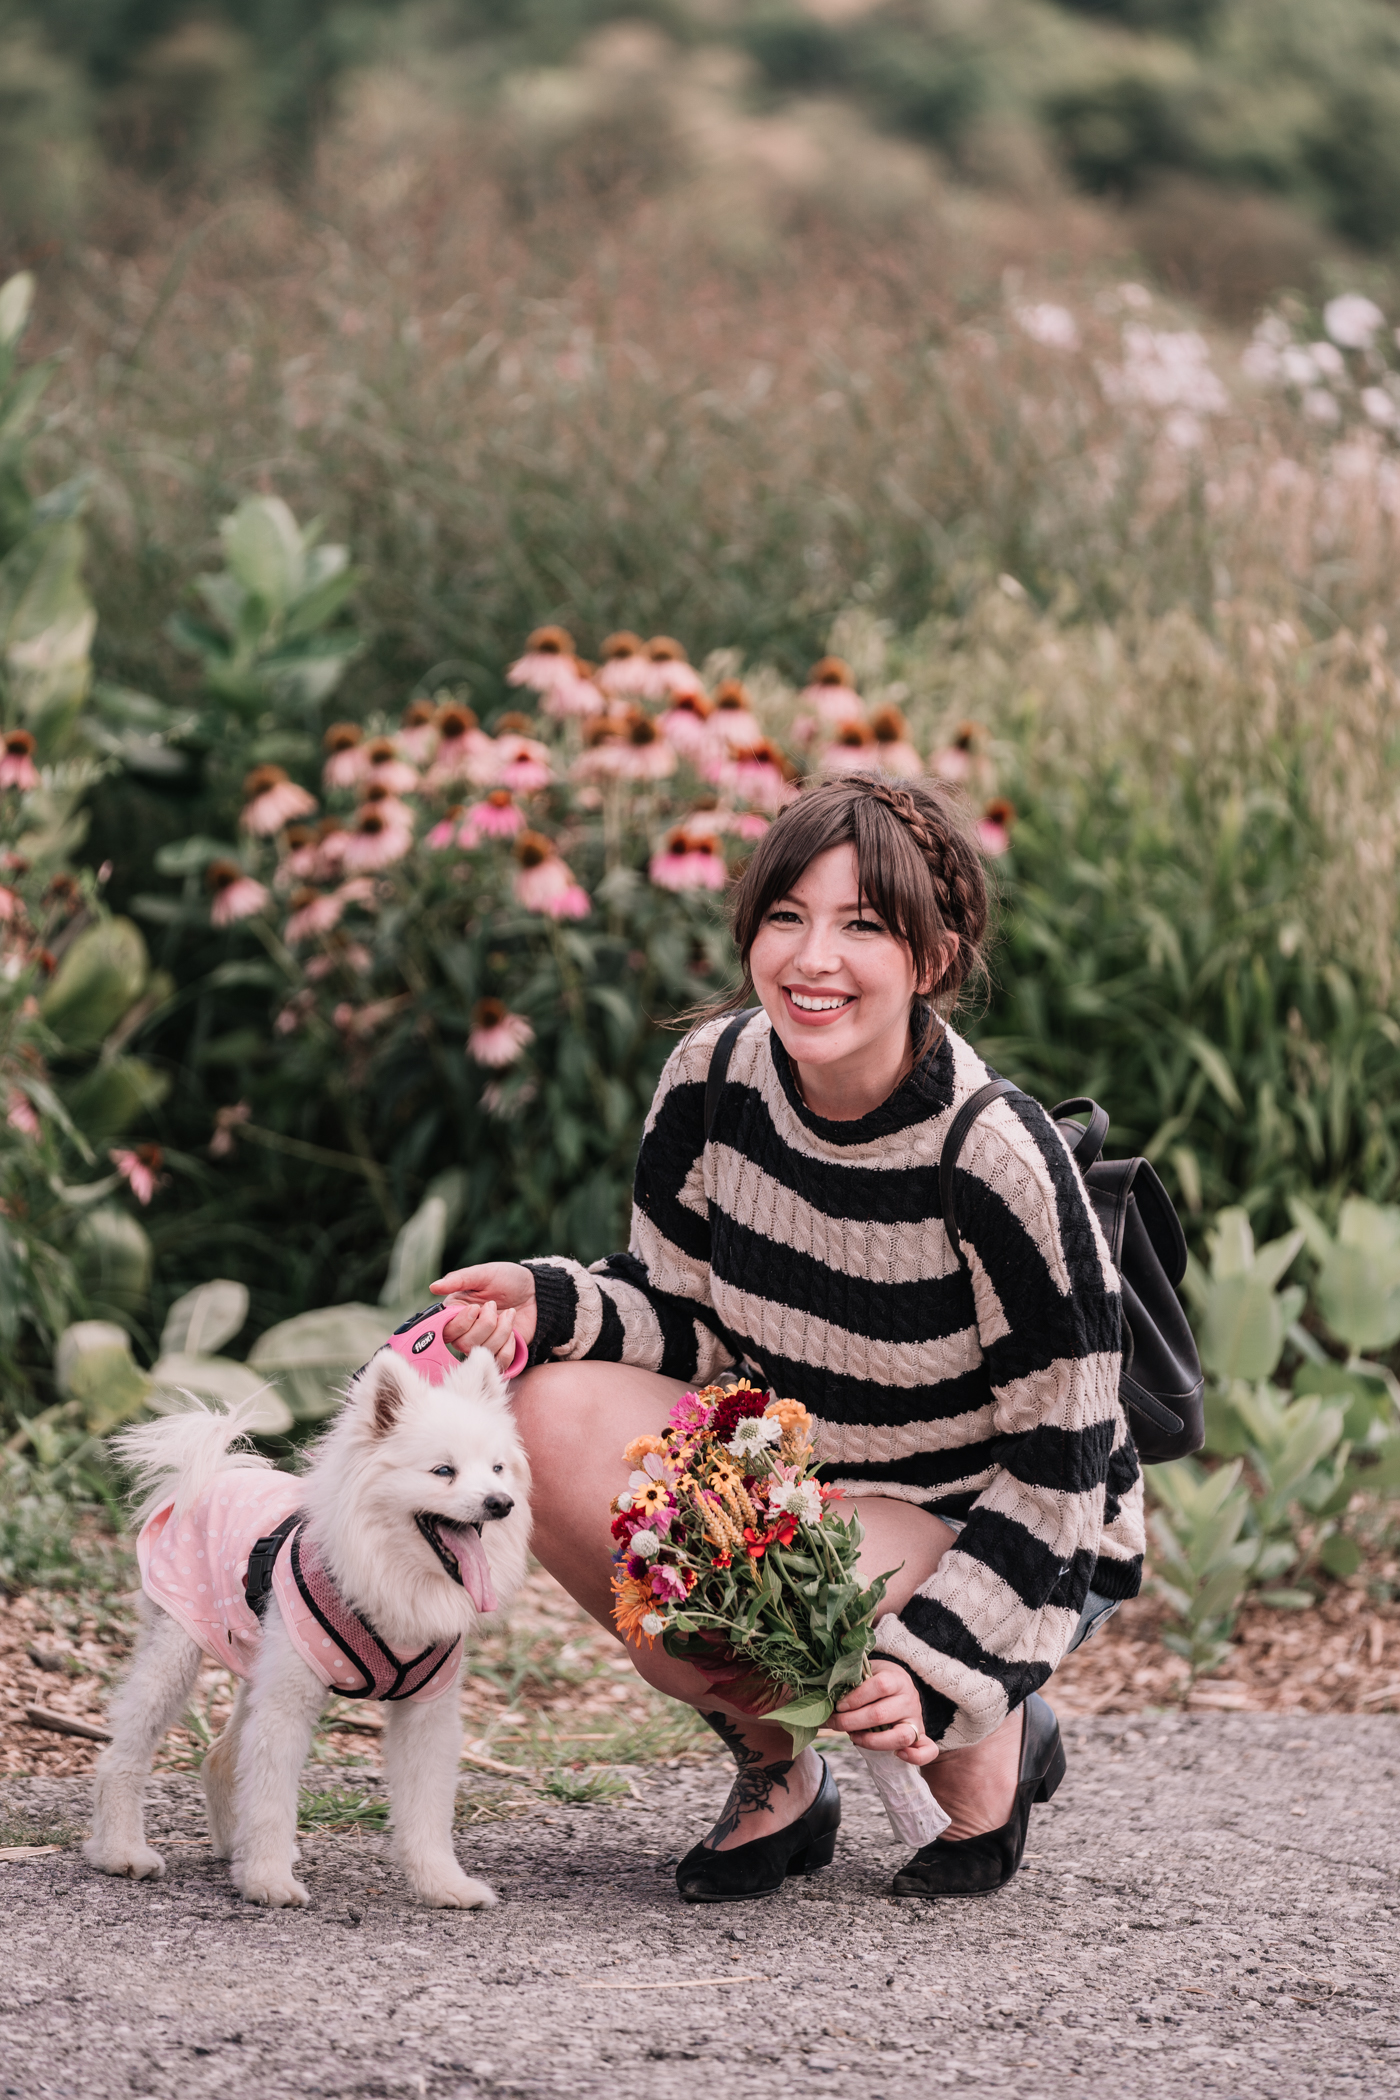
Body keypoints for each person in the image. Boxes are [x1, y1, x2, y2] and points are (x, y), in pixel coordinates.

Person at [433, 776, 1144, 1902]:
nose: (813, 958)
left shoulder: (992, 1158)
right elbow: (685, 1314)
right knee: (550, 1418)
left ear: (935, 955)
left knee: (754, 1599)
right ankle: (778, 1768)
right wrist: (545, 1304)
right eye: (785, 916)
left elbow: (1059, 1469)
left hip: (976, 1506)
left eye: (862, 924)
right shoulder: (712, 1079)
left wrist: (941, 1669)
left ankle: (993, 1726)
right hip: (793, 1477)